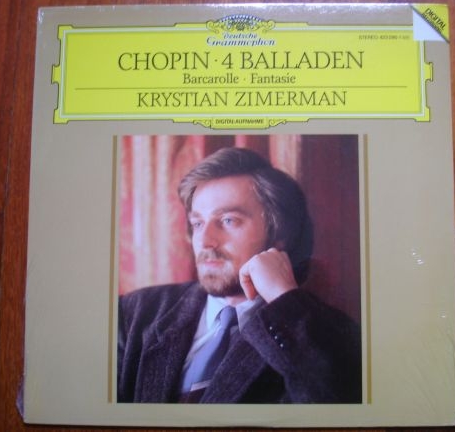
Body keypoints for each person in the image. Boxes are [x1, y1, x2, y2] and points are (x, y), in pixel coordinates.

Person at [117, 147, 361, 403]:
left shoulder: (330, 336)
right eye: (198, 223)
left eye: (228, 220)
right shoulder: (133, 314)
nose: (205, 241)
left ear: (279, 234)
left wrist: (284, 300)